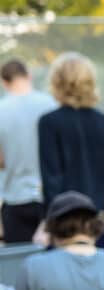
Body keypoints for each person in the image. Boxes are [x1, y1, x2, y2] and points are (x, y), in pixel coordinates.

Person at [34, 53, 104, 249]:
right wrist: (98, 189)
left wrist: (47, 222)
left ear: (57, 82)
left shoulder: (49, 123)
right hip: (97, 219)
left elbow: (51, 180)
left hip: (64, 223)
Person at [0, 59, 58, 244]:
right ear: (29, 75)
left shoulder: (2, 110)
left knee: (19, 266)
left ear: (4, 82)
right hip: (50, 198)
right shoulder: (51, 104)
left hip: (15, 198)